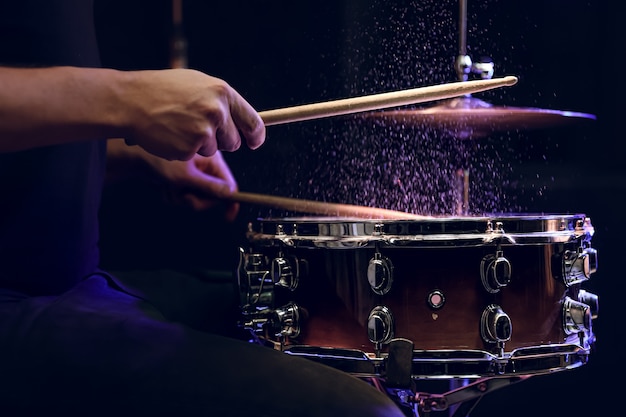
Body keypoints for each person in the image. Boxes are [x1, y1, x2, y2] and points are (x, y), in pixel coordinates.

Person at [0, 1, 407, 416]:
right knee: (362, 411)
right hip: (18, 303)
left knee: (338, 329)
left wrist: (129, 156)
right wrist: (126, 99)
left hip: (75, 282)